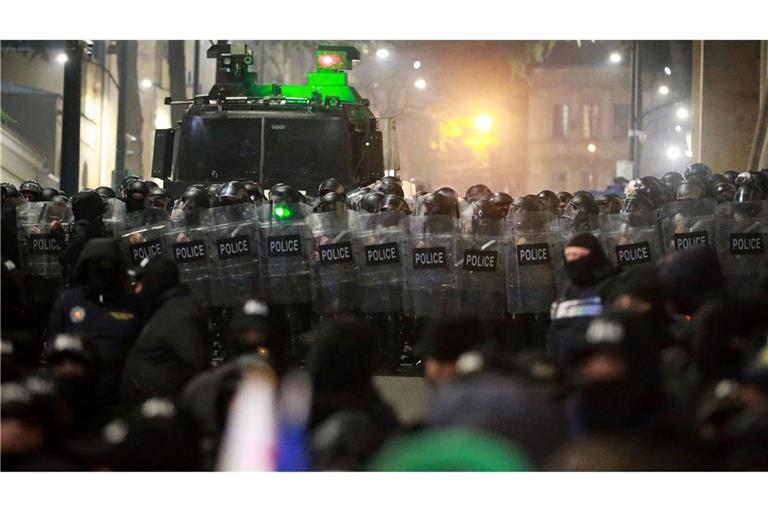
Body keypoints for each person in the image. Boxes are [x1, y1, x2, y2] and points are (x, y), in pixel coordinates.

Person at [48, 239, 142, 406]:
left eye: (107, 265)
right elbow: (53, 347)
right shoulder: (69, 302)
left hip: (121, 392)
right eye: (95, 265)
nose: (101, 270)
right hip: (76, 395)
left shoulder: (132, 305)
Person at [120, 257, 210, 405]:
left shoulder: (178, 313)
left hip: (169, 409)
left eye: (142, 281)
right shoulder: (167, 309)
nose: (138, 288)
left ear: (155, 281)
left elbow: (197, 363)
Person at [548, 233, 621, 367]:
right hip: (565, 368)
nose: (571, 262)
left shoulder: (611, 286)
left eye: (576, 256)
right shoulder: (567, 290)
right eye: (568, 256)